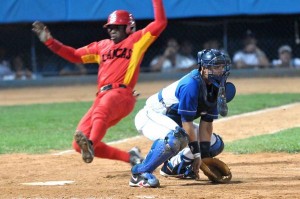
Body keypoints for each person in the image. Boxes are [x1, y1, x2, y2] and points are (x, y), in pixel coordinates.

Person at [32, 0, 167, 166]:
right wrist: (50, 42)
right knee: (77, 144)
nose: (111, 30)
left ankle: (90, 143)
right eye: (109, 27)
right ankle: (131, 157)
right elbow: (74, 55)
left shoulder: (136, 41)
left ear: (128, 28)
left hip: (121, 95)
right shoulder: (101, 46)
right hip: (102, 97)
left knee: (101, 113)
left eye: (116, 27)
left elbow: (160, 22)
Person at [129, 49, 236, 187]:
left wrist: (203, 155)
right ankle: (140, 173)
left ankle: (174, 167)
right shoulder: (191, 84)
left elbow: (207, 124)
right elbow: (187, 124)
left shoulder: (216, 87)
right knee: (177, 137)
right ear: (203, 68)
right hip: (152, 116)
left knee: (214, 144)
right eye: (216, 67)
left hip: (175, 122)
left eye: (222, 66)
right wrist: (197, 156)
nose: (221, 70)